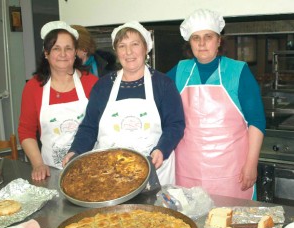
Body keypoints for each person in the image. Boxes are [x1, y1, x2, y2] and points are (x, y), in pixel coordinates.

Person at [63, 21, 185, 186]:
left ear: (146, 48)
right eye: (122, 46)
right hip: (109, 176)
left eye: (135, 44)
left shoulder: (163, 84)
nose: (129, 52)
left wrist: (162, 149)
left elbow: (175, 124)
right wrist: (76, 150)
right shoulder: (103, 86)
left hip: (154, 173)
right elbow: (89, 127)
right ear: (116, 51)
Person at [173, 9, 266, 199]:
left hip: (232, 172)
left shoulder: (238, 71)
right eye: (195, 38)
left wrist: (251, 164)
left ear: (218, 40)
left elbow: (256, 120)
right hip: (188, 171)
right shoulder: (179, 71)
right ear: (189, 43)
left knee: (232, 223)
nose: (201, 43)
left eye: (208, 37)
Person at [18, 21, 98, 181]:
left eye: (68, 48)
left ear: (75, 52)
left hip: (91, 170)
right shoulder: (34, 87)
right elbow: (26, 132)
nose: (63, 54)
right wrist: (38, 164)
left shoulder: (92, 83)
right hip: (51, 171)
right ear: (46, 53)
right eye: (56, 48)